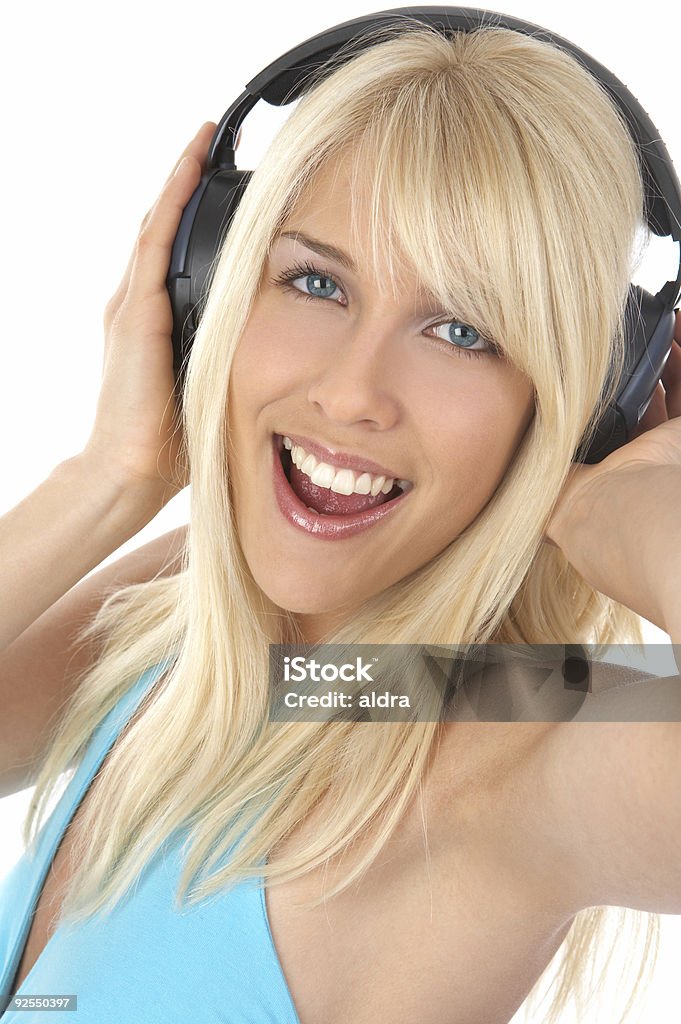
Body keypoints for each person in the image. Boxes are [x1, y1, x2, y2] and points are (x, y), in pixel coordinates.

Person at [1, 18, 681, 1024]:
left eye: (463, 330)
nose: (354, 393)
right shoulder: (198, 629)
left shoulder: (521, 742)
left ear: (581, 406)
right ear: (212, 292)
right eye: (316, 282)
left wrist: (612, 509)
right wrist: (107, 475)